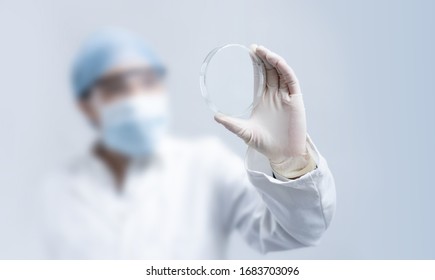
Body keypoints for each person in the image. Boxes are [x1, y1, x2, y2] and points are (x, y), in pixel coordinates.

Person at [38, 28, 336, 259]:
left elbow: (301, 232)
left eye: (147, 81)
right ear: (87, 105)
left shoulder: (205, 165)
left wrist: (290, 162)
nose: (137, 97)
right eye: (117, 86)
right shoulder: (59, 192)